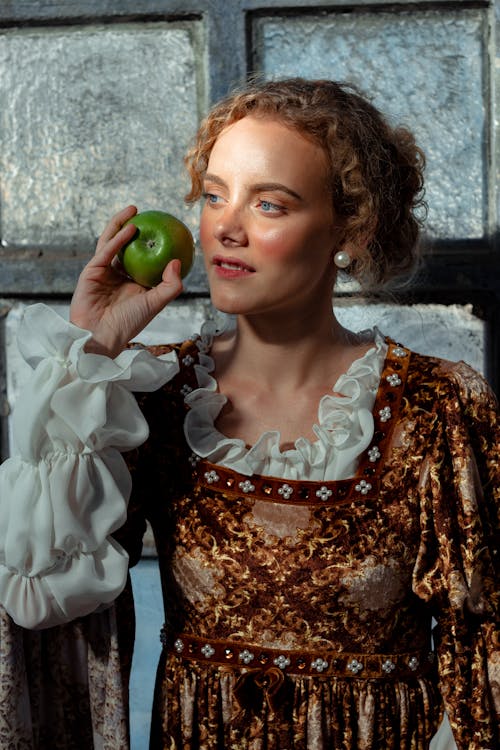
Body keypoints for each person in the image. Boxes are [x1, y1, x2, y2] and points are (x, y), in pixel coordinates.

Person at [0, 78, 498, 750]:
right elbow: (38, 594)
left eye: (269, 203)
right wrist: (92, 347)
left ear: (350, 228)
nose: (225, 228)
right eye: (213, 195)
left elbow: (484, 658)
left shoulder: (438, 406)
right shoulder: (152, 394)